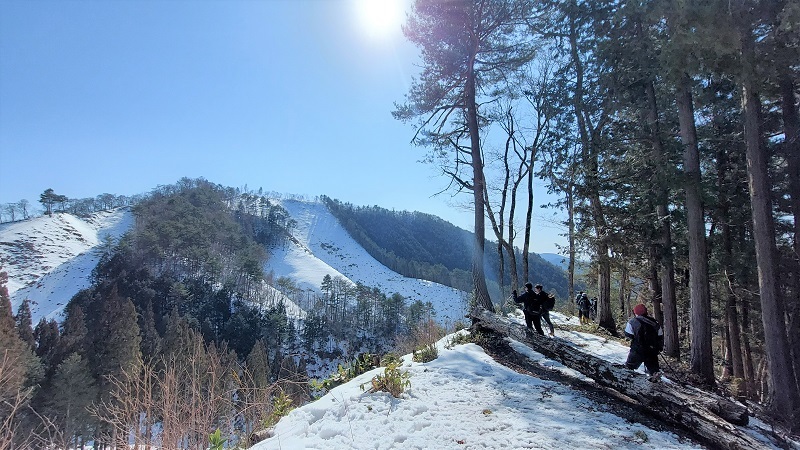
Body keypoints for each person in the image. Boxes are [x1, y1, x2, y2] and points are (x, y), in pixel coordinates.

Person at [624, 303, 664, 381]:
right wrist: (658, 347)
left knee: (629, 368)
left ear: (635, 312)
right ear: (646, 312)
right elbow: (660, 335)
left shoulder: (632, 322)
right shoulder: (655, 322)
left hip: (637, 349)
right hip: (652, 350)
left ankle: (625, 383)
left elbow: (628, 335)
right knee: (653, 370)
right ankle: (655, 384)